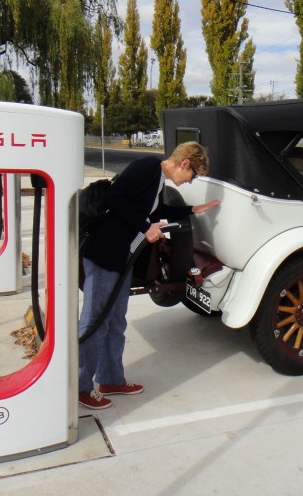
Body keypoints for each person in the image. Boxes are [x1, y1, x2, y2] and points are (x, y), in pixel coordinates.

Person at [78, 142, 220, 409]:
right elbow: (115, 198)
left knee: (116, 320)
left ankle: (111, 378)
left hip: (121, 259)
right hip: (104, 254)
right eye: (193, 176)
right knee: (95, 321)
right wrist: (146, 228)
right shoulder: (146, 167)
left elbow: (154, 211)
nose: (190, 182)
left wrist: (191, 210)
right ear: (185, 163)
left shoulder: (158, 180)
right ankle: (81, 385)